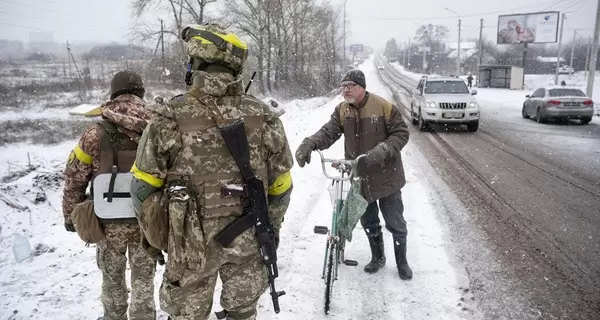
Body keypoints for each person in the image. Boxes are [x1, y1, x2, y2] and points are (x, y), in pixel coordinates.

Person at [130, 23, 294, 320]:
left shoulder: (169, 118)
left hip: (189, 247)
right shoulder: (265, 118)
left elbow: (142, 190)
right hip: (248, 242)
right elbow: (281, 188)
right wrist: (270, 230)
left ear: (195, 65)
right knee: (242, 313)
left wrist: (158, 240)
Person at [294, 69, 413, 280]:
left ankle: (402, 262)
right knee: (369, 222)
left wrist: (384, 150)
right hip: (360, 178)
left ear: (362, 87)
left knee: (395, 222)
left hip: (387, 177)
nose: (345, 89)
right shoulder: (342, 110)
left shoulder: (383, 106)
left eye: (350, 85)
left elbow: (401, 133)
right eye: (343, 86)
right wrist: (310, 142)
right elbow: (329, 132)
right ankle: (378, 257)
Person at [62, 70, 157, 320]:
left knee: (112, 278)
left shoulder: (94, 132)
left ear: (113, 93)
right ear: (141, 93)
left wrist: (70, 214)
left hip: (107, 220)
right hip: (146, 219)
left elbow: (74, 178)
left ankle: (114, 317)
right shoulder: (158, 127)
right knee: (144, 279)